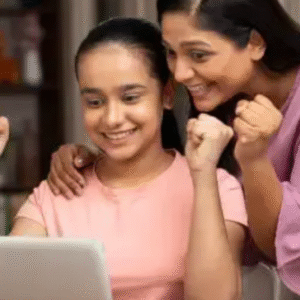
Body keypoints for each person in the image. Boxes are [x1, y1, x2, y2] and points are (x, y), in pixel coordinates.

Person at [48, 0, 300, 295]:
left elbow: (283, 246)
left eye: (198, 54)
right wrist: (99, 161)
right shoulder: (225, 98)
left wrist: (255, 161)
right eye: (171, 52)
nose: (180, 73)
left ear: (255, 43)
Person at [10, 18, 247, 299]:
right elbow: (10, 285)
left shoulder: (218, 188)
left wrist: (203, 173)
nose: (112, 119)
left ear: (167, 95)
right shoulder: (58, 192)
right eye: (95, 102)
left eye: (131, 97)